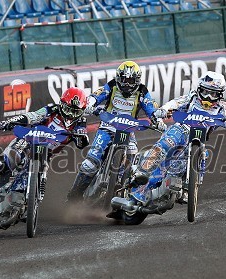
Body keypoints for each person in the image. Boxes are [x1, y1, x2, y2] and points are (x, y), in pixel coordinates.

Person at [129, 71, 226, 204]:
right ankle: (141, 172)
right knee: (164, 145)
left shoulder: (220, 109)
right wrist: (164, 109)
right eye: (205, 92)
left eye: (212, 93)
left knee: (201, 156)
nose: (207, 96)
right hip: (181, 129)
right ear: (199, 89)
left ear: (219, 94)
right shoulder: (191, 98)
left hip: (196, 142)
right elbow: (175, 103)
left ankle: (188, 188)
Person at [0, 87, 90, 195]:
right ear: (61, 104)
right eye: (68, 109)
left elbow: (82, 143)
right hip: (28, 141)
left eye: (75, 112)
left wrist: (81, 137)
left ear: (82, 111)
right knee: (11, 158)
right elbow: (32, 116)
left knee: (42, 173)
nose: (70, 115)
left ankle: (30, 201)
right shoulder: (52, 109)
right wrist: (11, 121)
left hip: (45, 154)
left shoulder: (80, 123)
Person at [65, 60, 166, 200]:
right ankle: (75, 194)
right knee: (90, 163)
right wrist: (90, 104)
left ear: (137, 80)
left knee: (132, 156)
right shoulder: (112, 86)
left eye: (131, 80)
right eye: (124, 79)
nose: (127, 84)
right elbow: (97, 95)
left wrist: (158, 120)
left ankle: (123, 190)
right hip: (108, 127)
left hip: (128, 130)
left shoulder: (142, 91)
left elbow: (151, 108)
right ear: (119, 77)